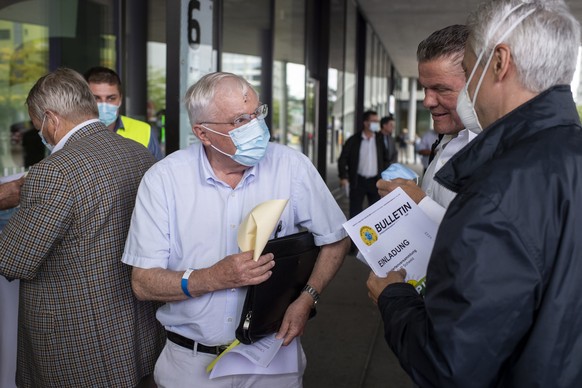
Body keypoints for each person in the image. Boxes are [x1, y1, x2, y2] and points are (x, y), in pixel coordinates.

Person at [368, 1, 582, 386]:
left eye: (469, 67)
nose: (432, 100)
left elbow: (451, 366)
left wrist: (393, 297)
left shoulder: (497, 186)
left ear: (499, 63)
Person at [121, 71, 350, 387]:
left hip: (273, 356)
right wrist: (212, 278)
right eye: (240, 120)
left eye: (257, 113)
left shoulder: (292, 166)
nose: (256, 126)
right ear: (203, 134)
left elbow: (336, 238)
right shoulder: (164, 180)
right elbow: (144, 283)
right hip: (191, 365)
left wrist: (308, 297)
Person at [0, 68, 165, 387]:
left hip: (76, 345)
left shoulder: (53, 172)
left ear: (51, 118)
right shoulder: (137, 153)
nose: (40, 132)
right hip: (137, 332)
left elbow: (12, 260)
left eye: (38, 125)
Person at [378, 24, 476, 224]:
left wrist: (419, 202)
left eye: (442, 89)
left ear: (477, 85)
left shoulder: (504, 153)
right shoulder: (446, 139)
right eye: (425, 88)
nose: (427, 101)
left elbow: (491, 244)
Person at [84, 66, 164, 160]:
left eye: (111, 98)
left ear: (120, 99)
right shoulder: (72, 131)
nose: (104, 105)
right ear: (84, 99)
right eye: (96, 98)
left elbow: (157, 171)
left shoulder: (144, 130)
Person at [338, 110, 390, 219]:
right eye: (374, 121)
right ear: (366, 123)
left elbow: (386, 159)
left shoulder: (380, 140)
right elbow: (342, 159)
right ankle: (354, 235)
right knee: (355, 212)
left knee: (376, 211)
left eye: (377, 121)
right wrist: (343, 176)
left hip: (376, 181)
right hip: (358, 181)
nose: (377, 123)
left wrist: (385, 175)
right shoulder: (354, 140)